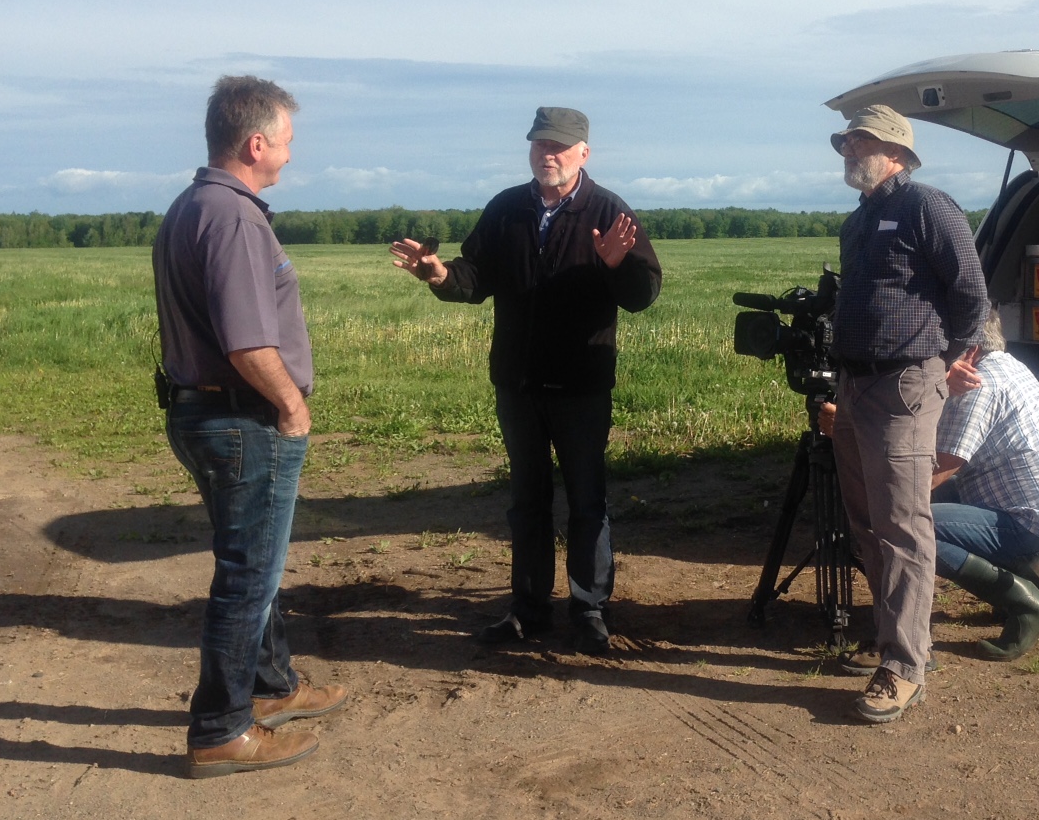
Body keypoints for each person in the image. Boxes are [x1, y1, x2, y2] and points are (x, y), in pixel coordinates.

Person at [390, 107, 660, 656]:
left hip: (581, 386)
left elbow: (642, 295)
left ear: (584, 152)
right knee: (528, 502)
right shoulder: (507, 209)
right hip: (518, 384)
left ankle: (588, 610)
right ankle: (529, 608)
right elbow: (475, 275)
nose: (548, 154)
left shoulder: (607, 211)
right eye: (540, 144)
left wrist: (616, 265)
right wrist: (437, 273)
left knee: (587, 501)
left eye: (560, 145)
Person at [154, 75, 346, 779]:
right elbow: (246, 343)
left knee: (251, 561)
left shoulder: (192, 205)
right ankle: (220, 730)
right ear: (256, 142)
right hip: (242, 419)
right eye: (288, 142)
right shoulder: (234, 218)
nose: (292, 155)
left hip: (202, 411)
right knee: (248, 575)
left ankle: (270, 689)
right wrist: (291, 406)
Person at [828, 104, 989, 724]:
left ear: (894, 150)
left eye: (858, 141)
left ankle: (904, 667)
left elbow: (970, 291)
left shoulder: (927, 206)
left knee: (901, 522)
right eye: (845, 142)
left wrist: (945, 362)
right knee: (866, 519)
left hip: (904, 384)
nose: (847, 150)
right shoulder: (859, 221)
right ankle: (900, 635)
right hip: (857, 383)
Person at [931, 307, 1039, 661]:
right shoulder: (1011, 368)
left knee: (913, 522)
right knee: (940, 502)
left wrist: (858, 438)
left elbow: (931, 473)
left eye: (942, 348)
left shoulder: (979, 385)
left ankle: (1027, 605)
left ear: (971, 350)